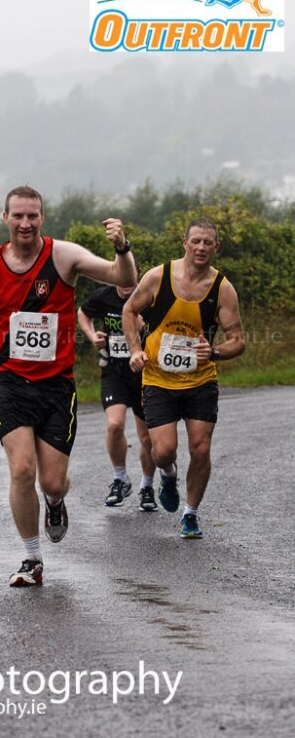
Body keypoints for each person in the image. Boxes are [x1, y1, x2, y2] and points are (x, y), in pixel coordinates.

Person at [0, 185, 137, 587]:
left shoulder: (63, 256)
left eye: (32, 216)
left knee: (51, 482)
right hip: (10, 382)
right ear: (5, 218)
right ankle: (31, 558)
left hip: (57, 386)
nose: (25, 223)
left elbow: (123, 277)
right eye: (17, 216)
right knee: (22, 469)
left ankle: (55, 503)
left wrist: (122, 247)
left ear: (42, 218)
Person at [122, 219, 245, 539]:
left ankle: (190, 515)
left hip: (200, 382)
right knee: (162, 451)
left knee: (201, 449)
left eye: (209, 243)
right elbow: (129, 310)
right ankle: (168, 474)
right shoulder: (158, 276)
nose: (202, 247)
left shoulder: (222, 289)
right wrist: (135, 349)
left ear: (216, 247)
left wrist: (215, 352)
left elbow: (238, 340)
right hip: (158, 380)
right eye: (197, 241)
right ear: (185, 243)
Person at [77, 281, 157, 512]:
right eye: (120, 280)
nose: (124, 286)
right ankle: (120, 479)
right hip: (114, 371)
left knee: (147, 438)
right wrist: (93, 336)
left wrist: (144, 329)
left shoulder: (148, 296)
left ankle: (147, 486)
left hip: (144, 374)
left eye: (130, 282)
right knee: (114, 425)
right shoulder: (104, 296)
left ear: (139, 278)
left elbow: (163, 328)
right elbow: (82, 313)